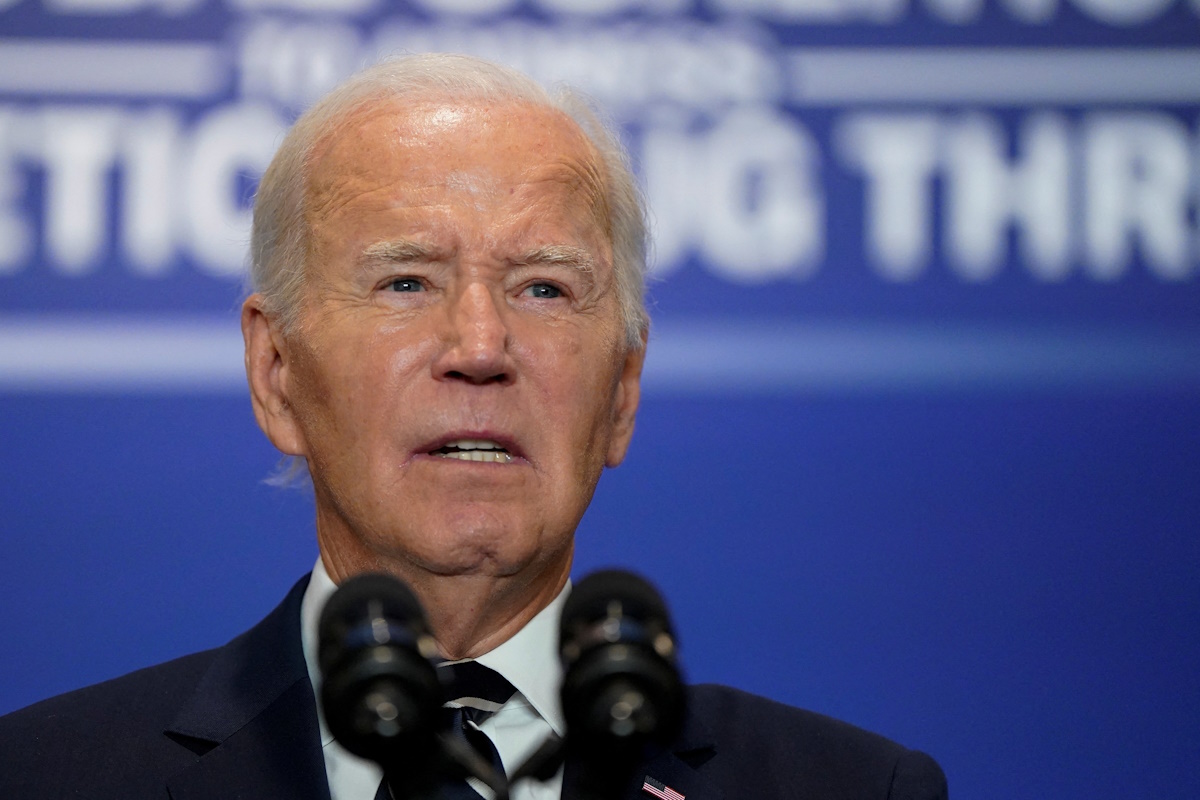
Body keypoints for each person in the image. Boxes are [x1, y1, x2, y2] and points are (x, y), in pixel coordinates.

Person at [0, 54, 947, 800]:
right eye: (406, 281)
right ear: (276, 373)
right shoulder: (45, 777)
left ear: (623, 390)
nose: (482, 345)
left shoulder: (850, 788)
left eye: (544, 287)